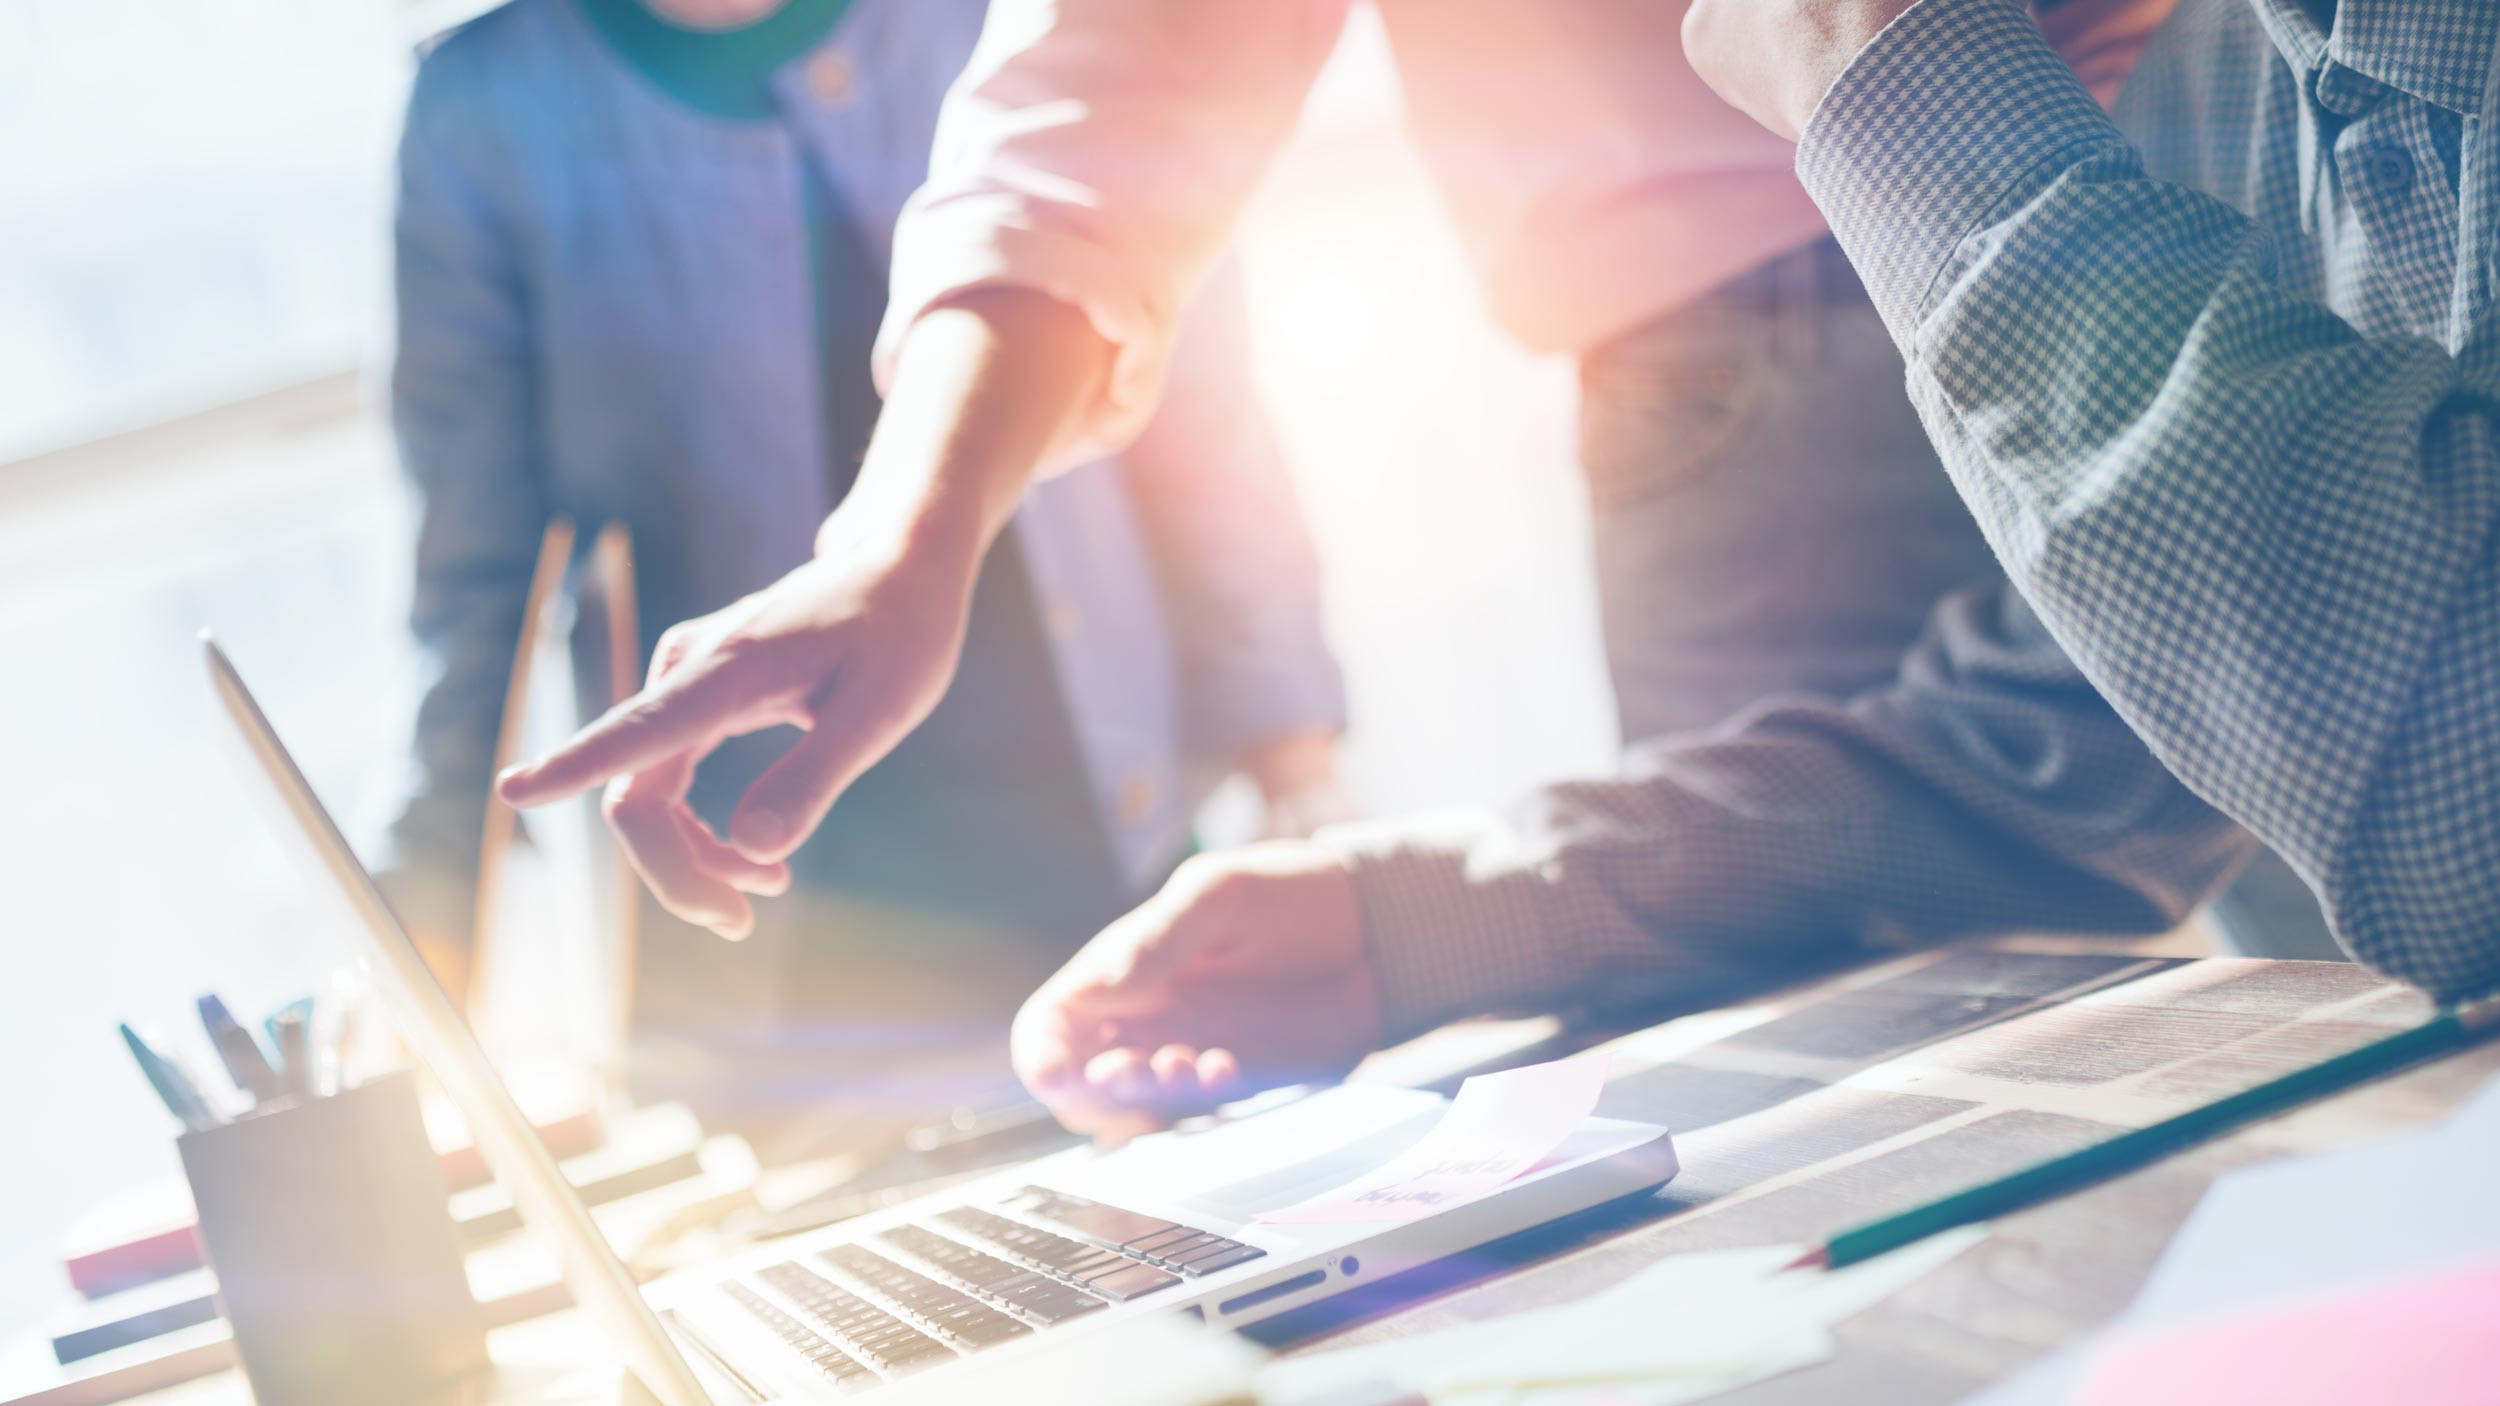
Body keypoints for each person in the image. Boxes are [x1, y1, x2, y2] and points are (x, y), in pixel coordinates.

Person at [493, 0, 2264, 1140]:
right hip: (1758, 344)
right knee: (1871, 1133)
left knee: (2348, 1034)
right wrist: (907, 525)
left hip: (2224, 181)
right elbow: (1134, 54)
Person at [377, 0, 1346, 1128]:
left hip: (1102, 864)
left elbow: (1196, 392)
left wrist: (1296, 771)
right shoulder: (483, 110)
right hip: (777, 975)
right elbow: (471, 576)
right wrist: (425, 927)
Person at [1675, 0, 2500, 998]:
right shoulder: (2223, 63)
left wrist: (1906, 94)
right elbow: (2059, 751)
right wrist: (1468, 894)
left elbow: (2472, 824)